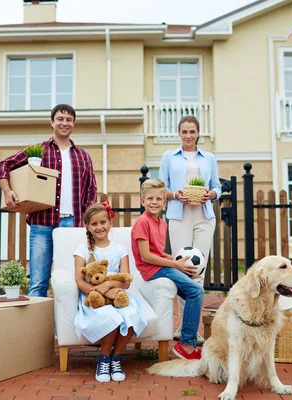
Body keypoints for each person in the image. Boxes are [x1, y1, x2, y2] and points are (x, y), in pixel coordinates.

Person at [0, 104, 97, 297]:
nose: (64, 123)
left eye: (69, 120)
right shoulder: (38, 151)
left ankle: (64, 327)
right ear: (52, 122)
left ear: (73, 124)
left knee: (70, 281)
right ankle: (38, 326)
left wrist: (88, 220)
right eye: (60, 119)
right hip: (42, 224)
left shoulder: (83, 156)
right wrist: (7, 191)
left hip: (73, 225)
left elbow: (91, 190)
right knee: (38, 282)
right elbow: (3, 166)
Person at [159, 115, 222, 344]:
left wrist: (211, 195)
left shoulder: (209, 158)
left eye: (192, 132)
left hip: (204, 218)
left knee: (199, 271)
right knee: (183, 270)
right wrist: (176, 195)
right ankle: (184, 326)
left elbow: (217, 186)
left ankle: (192, 329)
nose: (188, 136)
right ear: (179, 133)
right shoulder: (169, 157)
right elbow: (160, 188)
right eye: (184, 132)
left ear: (198, 133)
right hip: (179, 217)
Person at [74, 202, 148, 383]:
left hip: (118, 294)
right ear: (88, 227)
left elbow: (126, 280)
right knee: (110, 316)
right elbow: (79, 281)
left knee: (131, 314)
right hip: (94, 298)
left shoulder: (120, 249)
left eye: (103, 222)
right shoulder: (83, 250)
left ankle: (116, 358)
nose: (99, 227)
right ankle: (104, 359)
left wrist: (107, 287)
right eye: (94, 224)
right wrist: (99, 292)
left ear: (110, 223)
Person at [131, 178, 204, 360]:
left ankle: (187, 339)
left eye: (158, 199)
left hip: (160, 266)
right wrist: (176, 265)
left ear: (165, 202)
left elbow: (158, 251)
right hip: (151, 270)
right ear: (142, 201)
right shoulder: (142, 222)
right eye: (150, 199)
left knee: (193, 292)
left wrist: (173, 257)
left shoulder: (162, 223)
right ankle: (186, 344)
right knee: (196, 290)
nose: (154, 202)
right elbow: (146, 256)